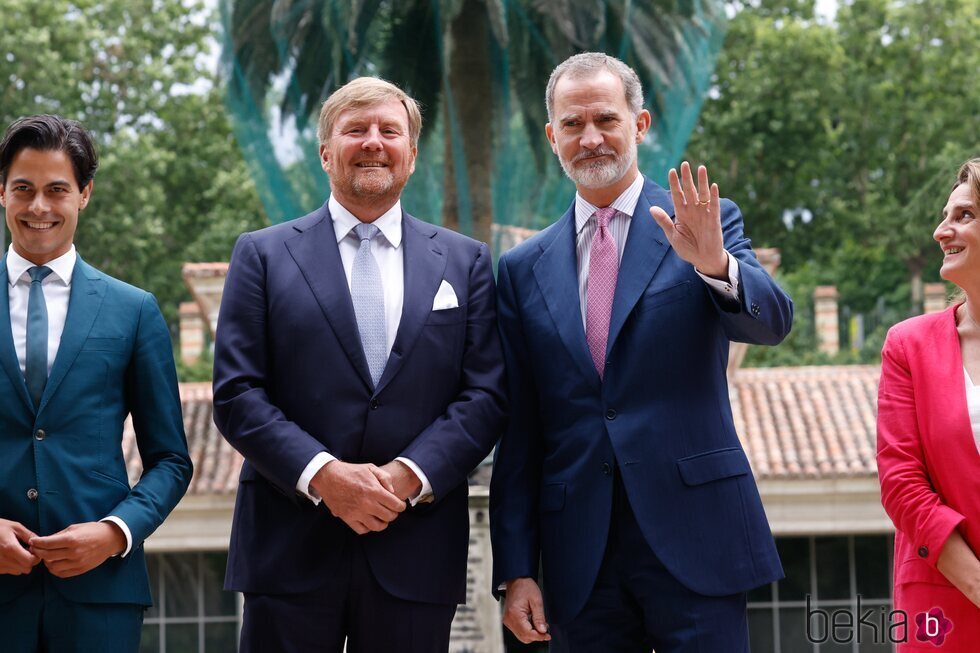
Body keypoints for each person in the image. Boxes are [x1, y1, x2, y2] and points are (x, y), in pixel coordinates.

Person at [489, 52, 793, 652]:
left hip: (697, 536)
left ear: (641, 124)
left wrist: (713, 264)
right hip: (578, 553)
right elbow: (519, 427)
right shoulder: (522, 269)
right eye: (572, 125)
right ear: (553, 136)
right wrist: (516, 567)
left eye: (606, 118)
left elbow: (772, 322)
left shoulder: (704, 222)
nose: (591, 138)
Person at [212, 76, 507, 653]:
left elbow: (486, 395)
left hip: (414, 547)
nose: (373, 142)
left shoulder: (466, 261)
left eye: (389, 131)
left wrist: (405, 479)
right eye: (355, 130)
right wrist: (325, 476)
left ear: (412, 154)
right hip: (288, 550)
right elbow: (238, 392)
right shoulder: (263, 254)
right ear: (326, 152)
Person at [0, 114, 192, 652]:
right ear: (1, 193)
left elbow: (171, 460)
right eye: (24, 189)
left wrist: (114, 534)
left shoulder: (133, 311)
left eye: (57, 189)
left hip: (101, 596)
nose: (39, 206)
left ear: (84, 194)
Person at [877, 158, 980, 651]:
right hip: (942, 608)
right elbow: (901, 482)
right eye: (945, 215)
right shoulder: (908, 345)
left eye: (964, 216)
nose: (942, 230)